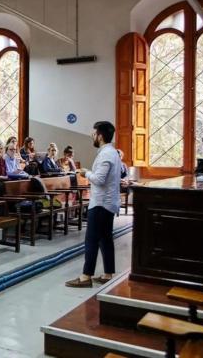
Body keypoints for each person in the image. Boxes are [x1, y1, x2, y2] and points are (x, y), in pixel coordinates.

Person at [66, 121, 121, 288]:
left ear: (100, 136)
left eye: (94, 133)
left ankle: (85, 277)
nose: (92, 136)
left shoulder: (106, 154)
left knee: (91, 240)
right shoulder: (112, 153)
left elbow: (99, 179)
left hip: (101, 204)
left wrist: (85, 172)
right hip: (108, 203)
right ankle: (108, 273)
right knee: (105, 239)